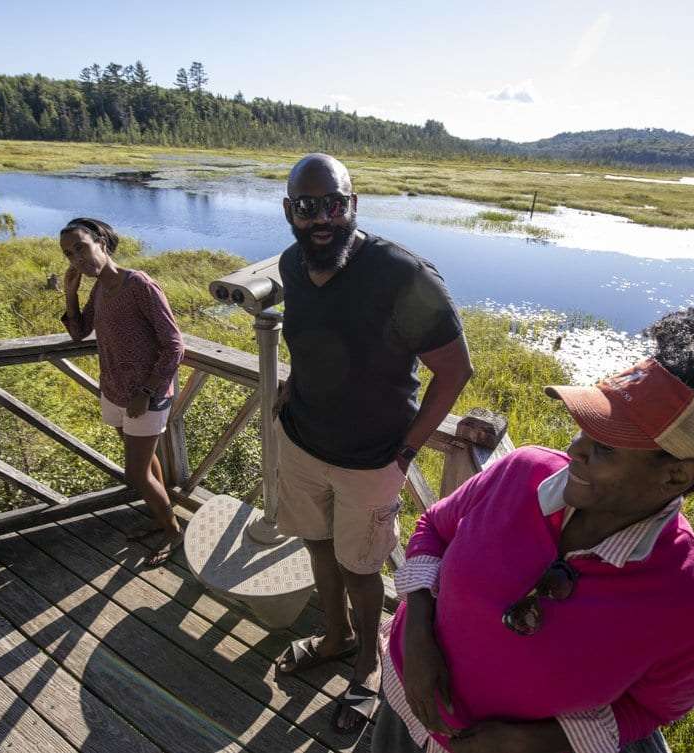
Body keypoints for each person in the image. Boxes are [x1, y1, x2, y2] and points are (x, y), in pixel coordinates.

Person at [376, 297, 694, 753]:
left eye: (607, 447)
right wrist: (416, 635)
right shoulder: (520, 471)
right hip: (403, 703)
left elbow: (651, 710)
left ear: (676, 475)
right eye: (586, 428)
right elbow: (433, 530)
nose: (575, 450)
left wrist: (530, 741)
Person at [272, 154, 474, 733]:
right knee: (315, 544)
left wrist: (406, 452)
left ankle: (367, 664)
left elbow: (456, 370)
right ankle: (334, 637)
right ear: (290, 211)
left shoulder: (402, 275)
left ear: (353, 205)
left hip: (371, 460)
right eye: (308, 207)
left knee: (362, 567)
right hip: (302, 442)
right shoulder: (291, 264)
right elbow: (311, 340)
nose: (322, 218)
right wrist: (292, 382)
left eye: (335, 204)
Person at [60, 217, 185, 567]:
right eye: (69, 254)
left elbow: (174, 345)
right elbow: (78, 332)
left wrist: (145, 391)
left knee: (135, 472)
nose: (76, 259)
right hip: (114, 390)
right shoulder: (99, 288)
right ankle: (163, 518)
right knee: (145, 464)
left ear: (101, 241)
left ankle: (175, 533)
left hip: (146, 395)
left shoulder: (139, 284)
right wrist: (70, 293)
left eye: (81, 248)